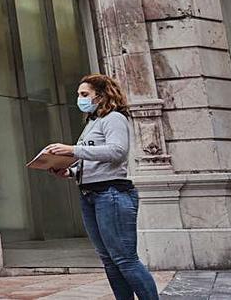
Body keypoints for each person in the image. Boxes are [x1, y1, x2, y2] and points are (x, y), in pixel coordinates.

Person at [45, 74, 159, 300]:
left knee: (125, 259)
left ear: (101, 95)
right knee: (108, 259)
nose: (79, 99)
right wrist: (70, 171)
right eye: (79, 95)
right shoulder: (92, 123)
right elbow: (92, 162)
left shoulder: (114, 118)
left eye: (84, 94)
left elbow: (117, 151)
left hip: (112, 194)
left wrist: (72, 150)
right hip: (90, 195)